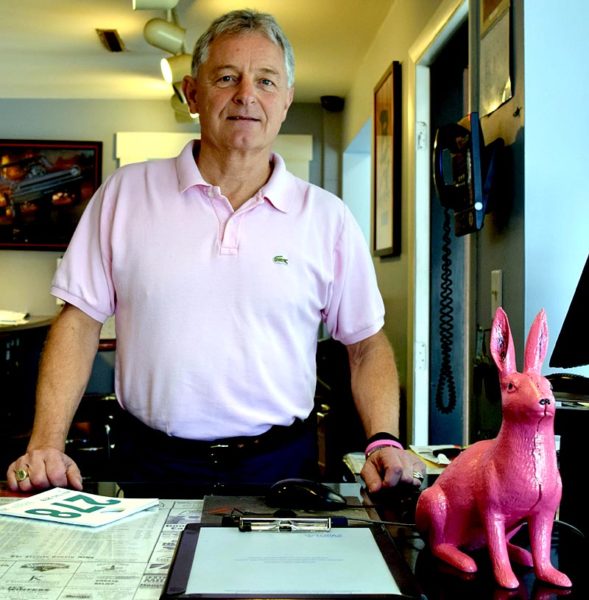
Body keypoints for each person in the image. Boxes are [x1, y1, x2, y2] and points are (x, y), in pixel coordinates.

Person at [7, 9, 424, 494]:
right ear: (192, 94)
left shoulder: (327, 218)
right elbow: (78, 322)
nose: (247, 94)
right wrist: (46, 444)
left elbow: (367, 344)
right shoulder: (125, 194)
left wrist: (384, 440)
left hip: (280, 465)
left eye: (266, 81)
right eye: (227, 77)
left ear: (286, 100)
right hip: (150, 463)